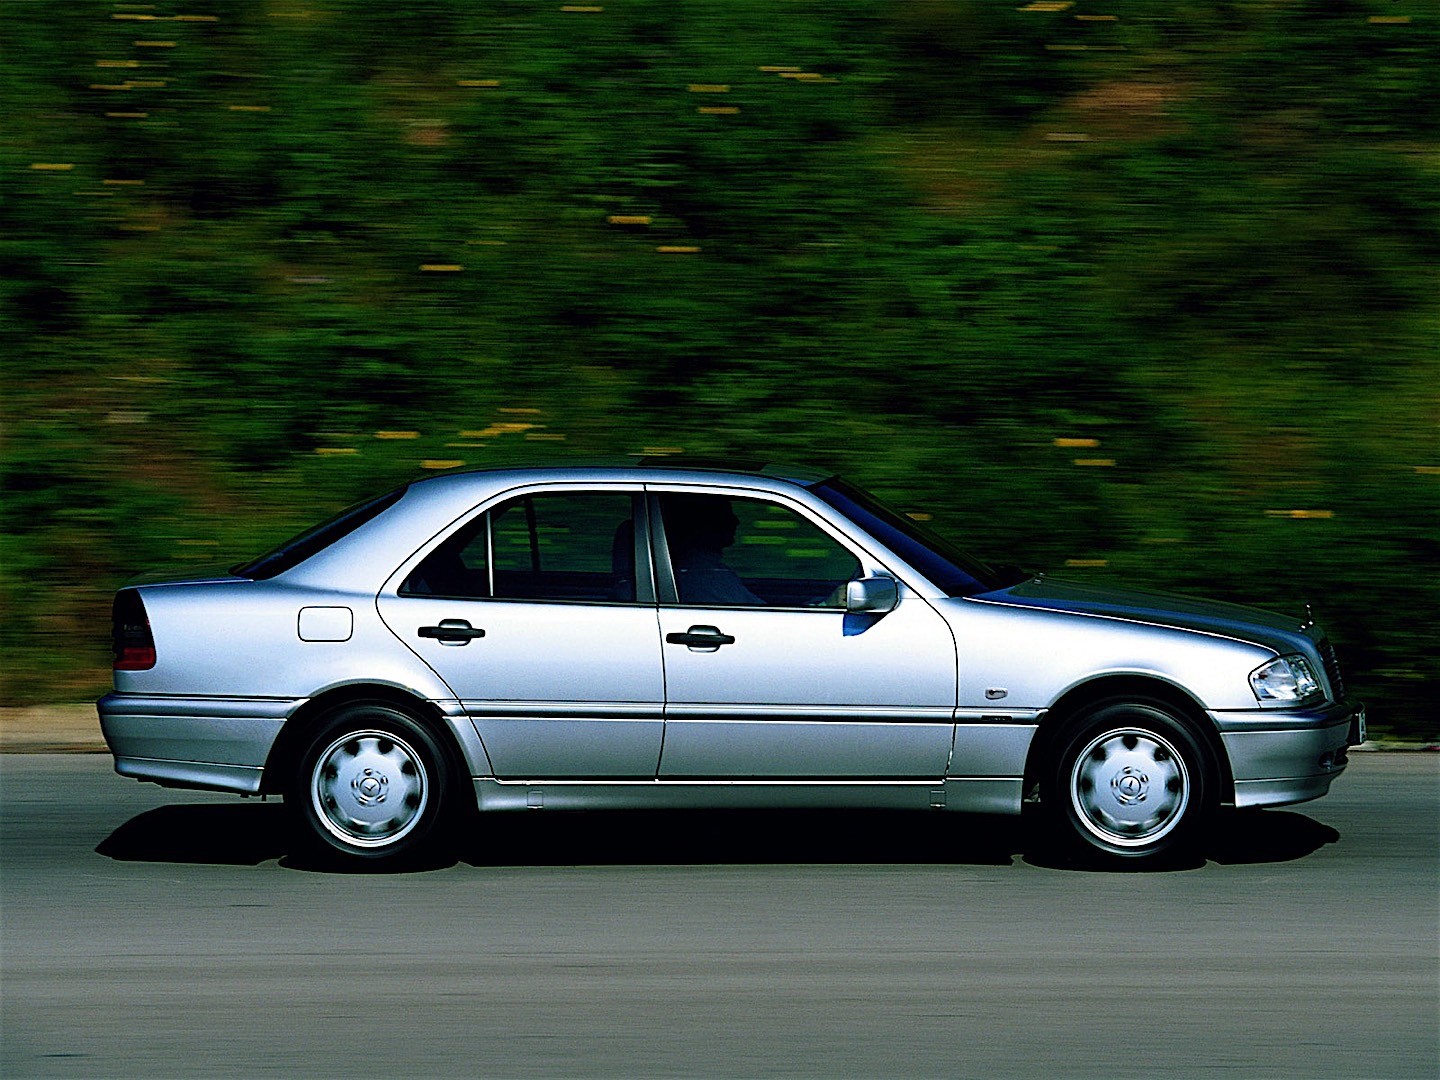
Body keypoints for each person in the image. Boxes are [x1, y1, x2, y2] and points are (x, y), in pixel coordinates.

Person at [661, 495, 764, 606]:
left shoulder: (710, 570)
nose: (736, 521)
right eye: (726, 515)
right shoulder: (703, 575)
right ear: (704, 522)